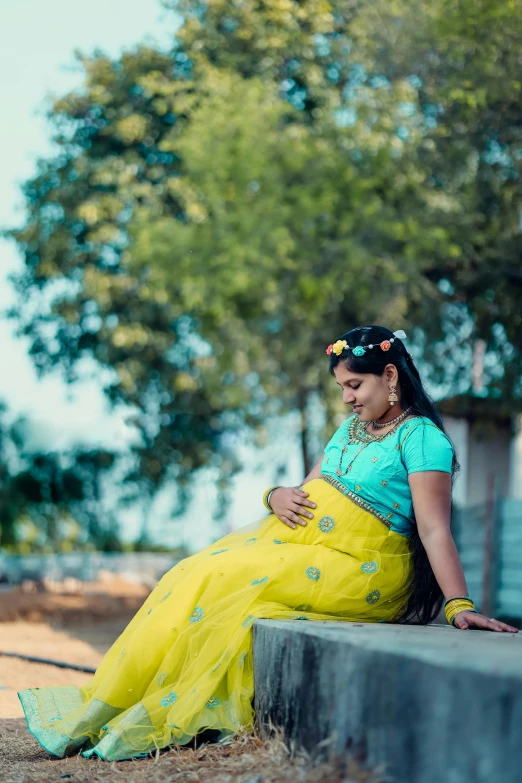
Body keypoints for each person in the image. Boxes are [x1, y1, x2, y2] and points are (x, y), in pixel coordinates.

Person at [18, 325, 517, 761]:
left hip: (361, 567)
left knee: (221, 578)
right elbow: (308, 489)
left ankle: (149, 714)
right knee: (191, 572)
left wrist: (458, 605)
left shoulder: (423, 438)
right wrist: (274, 494)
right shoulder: (351, 429)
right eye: (342, 386)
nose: (346, 397)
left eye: (355, 384)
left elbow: (433, 529)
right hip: (308, 547)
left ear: (391, 376)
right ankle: (108, 704)